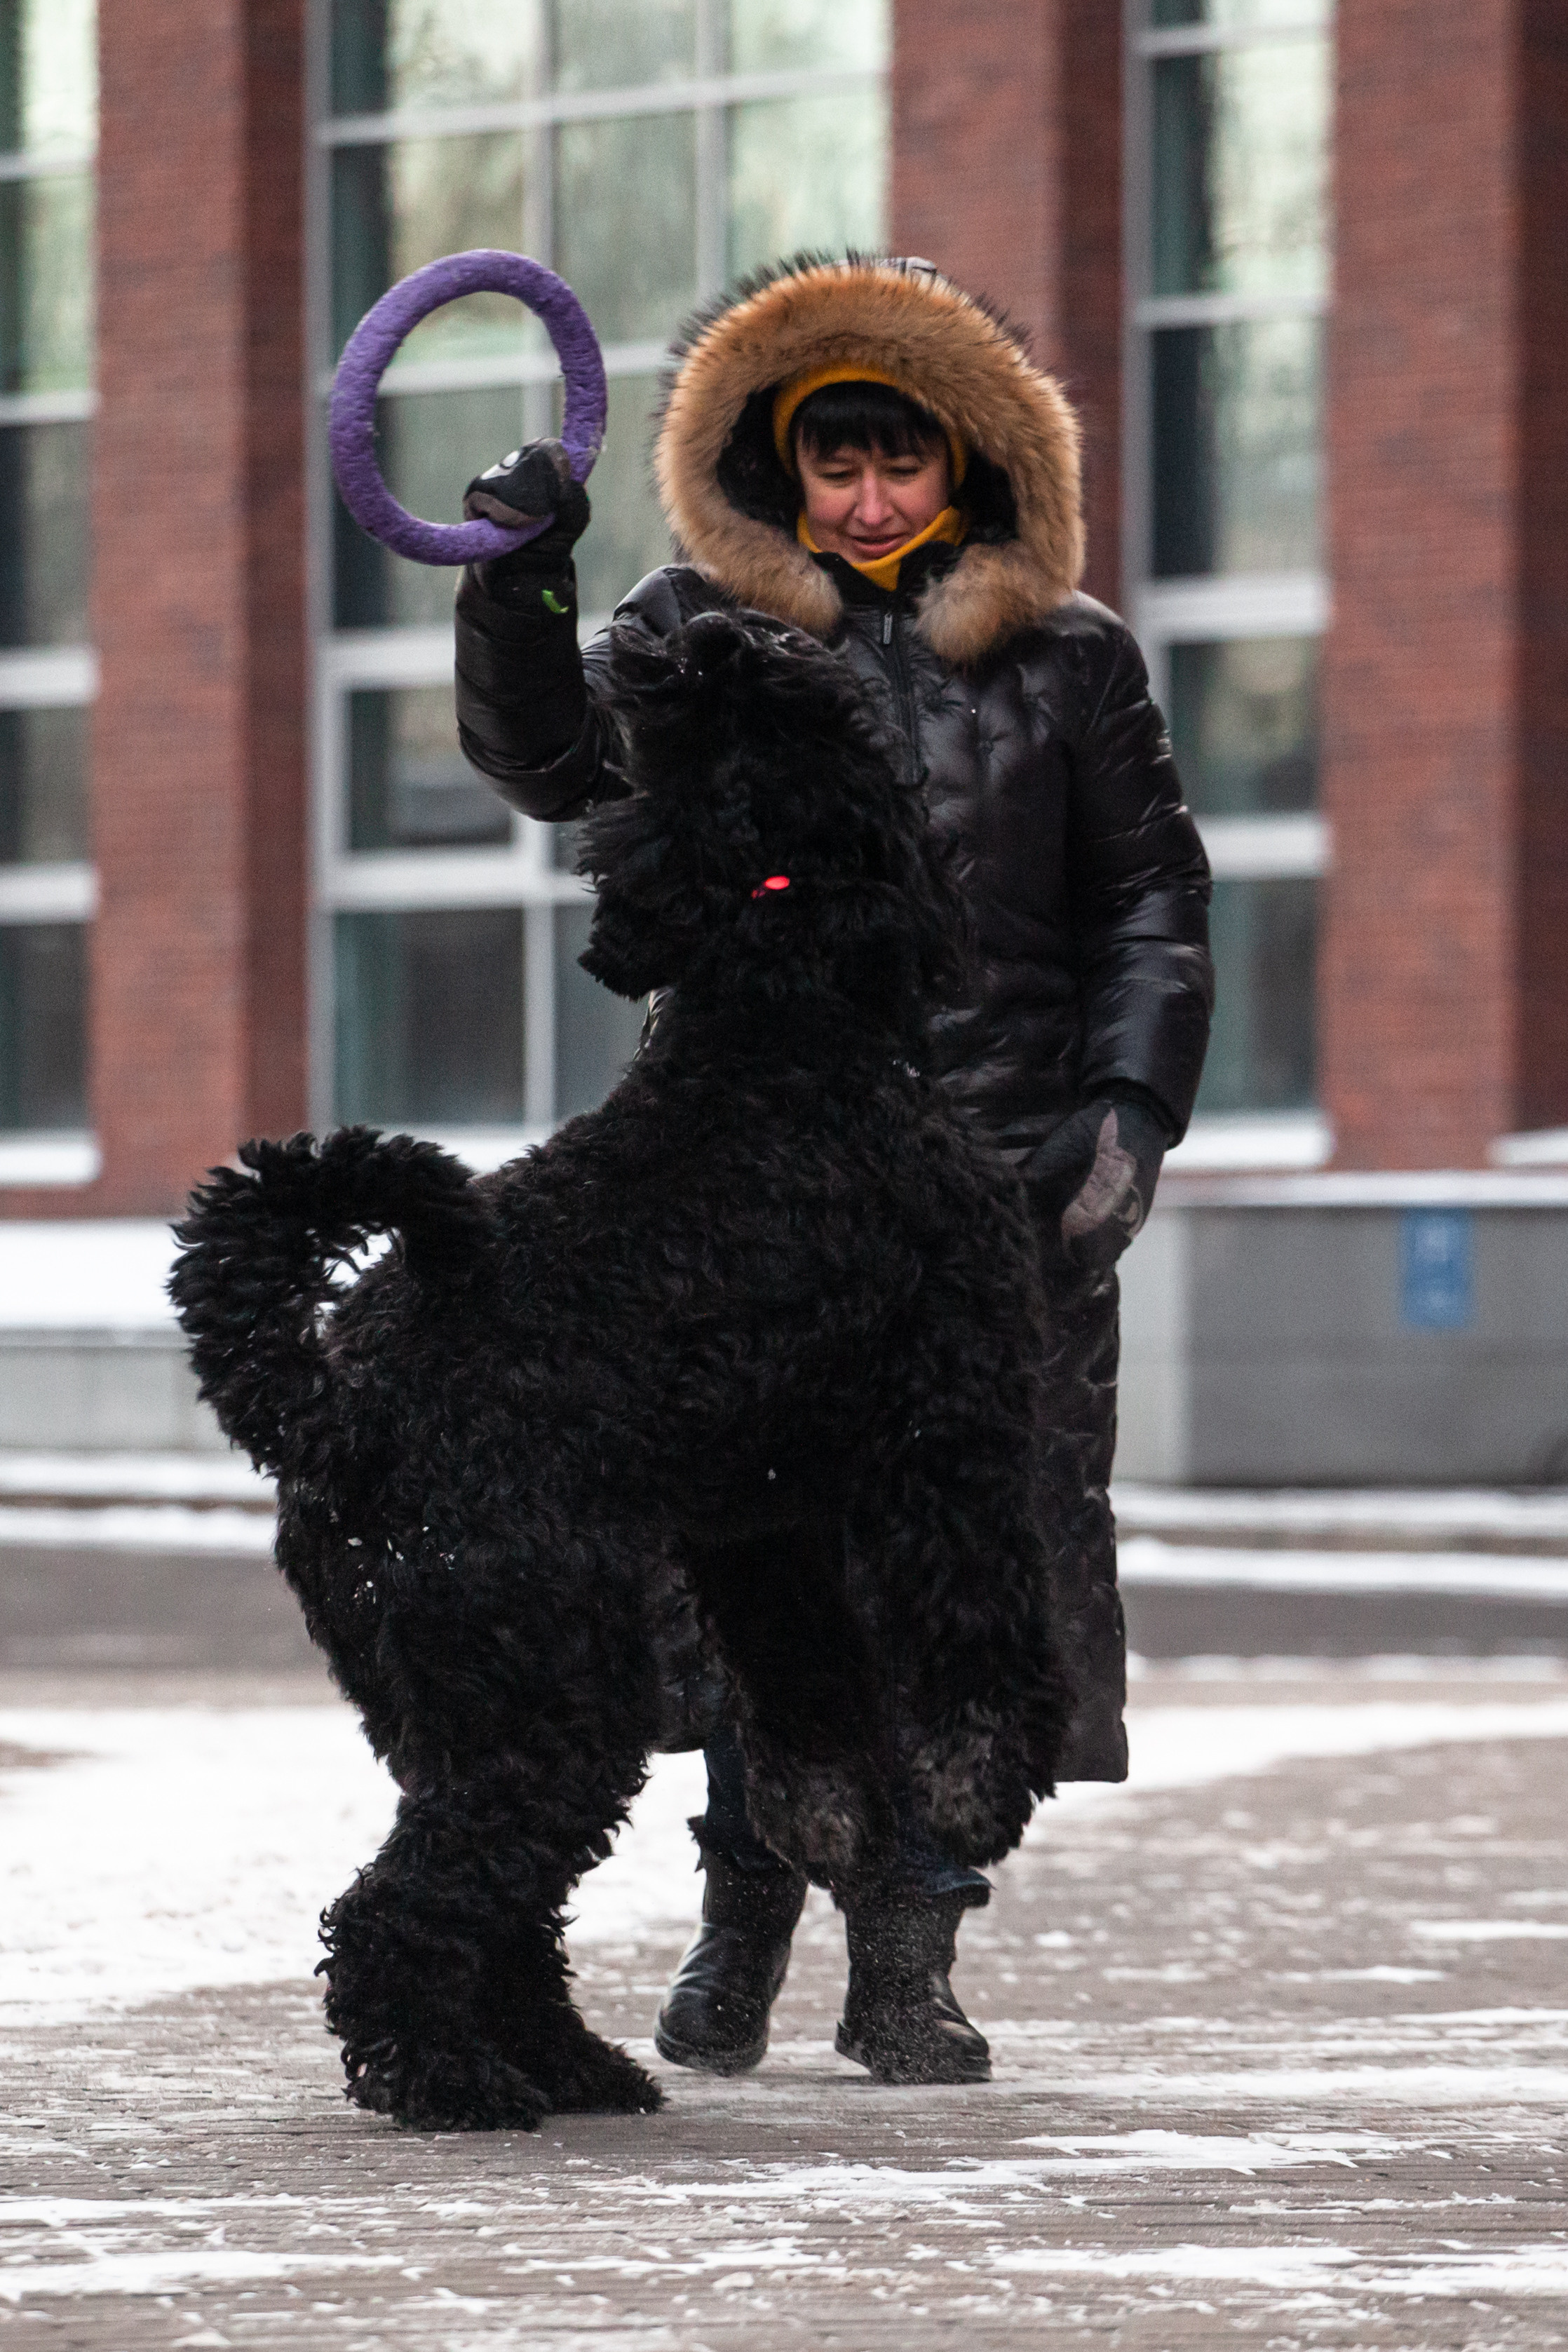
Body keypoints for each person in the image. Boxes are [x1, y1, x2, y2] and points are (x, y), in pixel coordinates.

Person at [453, 255, 1213, 2083]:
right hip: (758, 1195)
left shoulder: (1073, 657)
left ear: (972, 463)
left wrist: (1126, 1106)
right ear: (774, 468)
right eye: (832, 464)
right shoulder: (692, 632)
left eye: (904, 462)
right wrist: (517, 581)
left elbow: (1149, 899)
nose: (868, 500)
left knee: (959, 1586)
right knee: (751, 1561)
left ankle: (907, 1959)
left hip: (999, 1194)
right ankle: (742, 1915)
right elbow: (549, 762)